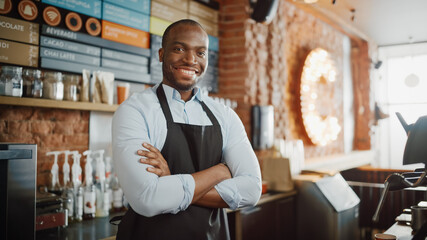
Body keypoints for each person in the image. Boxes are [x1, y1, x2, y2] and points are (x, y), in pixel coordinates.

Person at [112, 19, 262, 240]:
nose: (191, 60)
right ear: (161, 54)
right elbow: (148, 198)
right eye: (179, 49)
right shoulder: (135, 111)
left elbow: (251, 190)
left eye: (200, 53)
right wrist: (219, 172)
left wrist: (172, 179)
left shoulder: (225, 116)